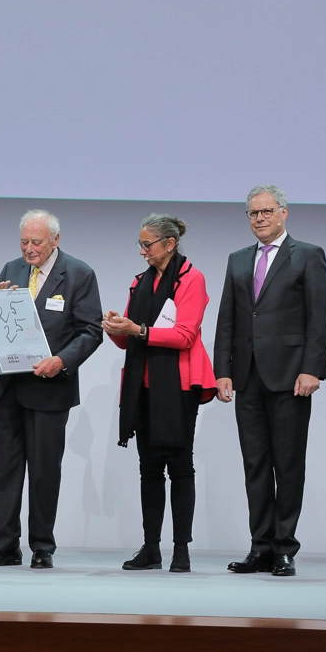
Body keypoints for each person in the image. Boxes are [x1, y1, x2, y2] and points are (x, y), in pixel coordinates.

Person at [214, 184, 326, 577]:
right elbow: (227, 319)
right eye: (254, 213)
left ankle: (284, 548)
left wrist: (313, 368)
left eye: (267, 211)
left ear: (284, 212)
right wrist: (223, 370)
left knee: (288, 464)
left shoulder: (308, 255)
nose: (260, 218)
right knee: (255, 465)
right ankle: (260, 547)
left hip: (291, 376)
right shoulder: (237, 259)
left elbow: (319, 318)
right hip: (247, 377)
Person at [0, 210, 102, 569]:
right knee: (3, 472)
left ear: (55, 240)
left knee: (45, 472)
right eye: (24, 242)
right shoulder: (11, 269)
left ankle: (42, 546)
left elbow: (91, 331)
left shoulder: (79, 273)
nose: (29, 249)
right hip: (9, 387)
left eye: (37, 242)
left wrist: (61, 361)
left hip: (50, 388)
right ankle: (4, 545)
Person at [103, 214, 217, 573]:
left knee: (180, 468)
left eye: (147, 244)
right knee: (148, 469)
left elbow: (184, 335)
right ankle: (151, 548)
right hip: (143, 386)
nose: (142, 252)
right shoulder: (139, 282)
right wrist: (115, 328)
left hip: (178, 387)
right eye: (139, 244)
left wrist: (137, 330)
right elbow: (129, 340)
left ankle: (181, 550)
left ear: (170, 243)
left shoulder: (191, 278)